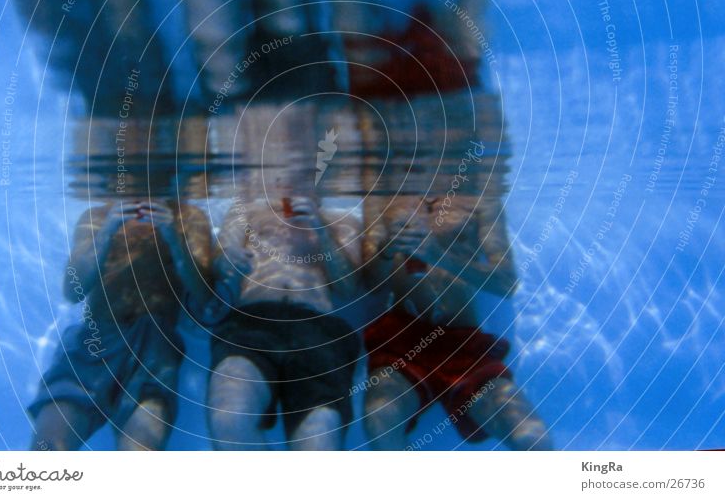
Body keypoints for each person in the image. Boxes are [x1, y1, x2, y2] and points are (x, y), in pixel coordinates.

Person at [361, 193, 552, 450]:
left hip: (463, 343)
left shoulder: (481, 197)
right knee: (379, 420)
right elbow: (371, 283)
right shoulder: (381, 194)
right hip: (401, 337)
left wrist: (437, 254)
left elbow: (506, 283)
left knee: (527, 432)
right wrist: (385, 251)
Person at [29, 199, 216, 450]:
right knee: (47, 447)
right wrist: (107, 232)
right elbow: (73, 291)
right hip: (95, 335)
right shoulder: (97, 216)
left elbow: (204, 299)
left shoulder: (188, 217)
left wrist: (174, 240)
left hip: (155, 341)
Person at [206, 195, 362, 450]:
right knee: (229, 421)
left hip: (318, 329)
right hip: (250, 323)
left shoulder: (342, 222)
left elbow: (348, 288)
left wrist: (321, 231)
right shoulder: (244, 210)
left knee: (320, 442)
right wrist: (228, 262)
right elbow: (219, 274)